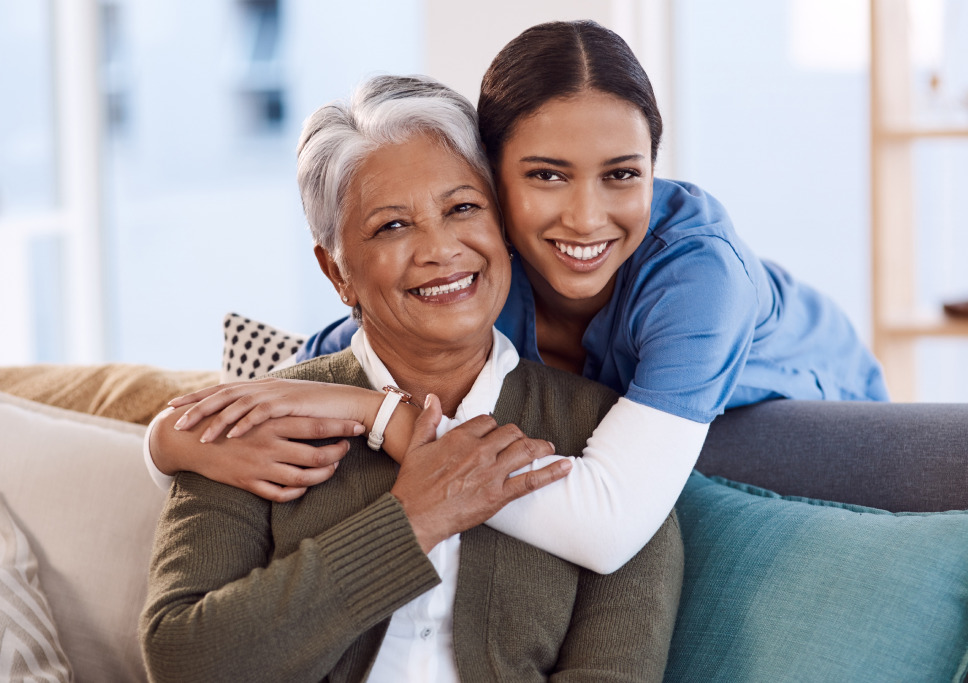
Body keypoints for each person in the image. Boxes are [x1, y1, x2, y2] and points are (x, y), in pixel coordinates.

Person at [151, 19, 887, 574]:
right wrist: (163, 443)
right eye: (546, 175)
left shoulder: (696, 274)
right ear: (490, 182)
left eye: (622, 174)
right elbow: (289, 384)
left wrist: (383, 418)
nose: (586, 217)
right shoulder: (477, 273)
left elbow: (605, 529)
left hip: (817, 427)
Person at [140, 74, 682, 682]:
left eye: (463, 209)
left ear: (503, 227)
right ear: (335, 270)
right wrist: (412, 521)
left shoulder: (608, 443)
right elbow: (183, 661)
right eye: (392, 226)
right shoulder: (258, 420)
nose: (440, 249)